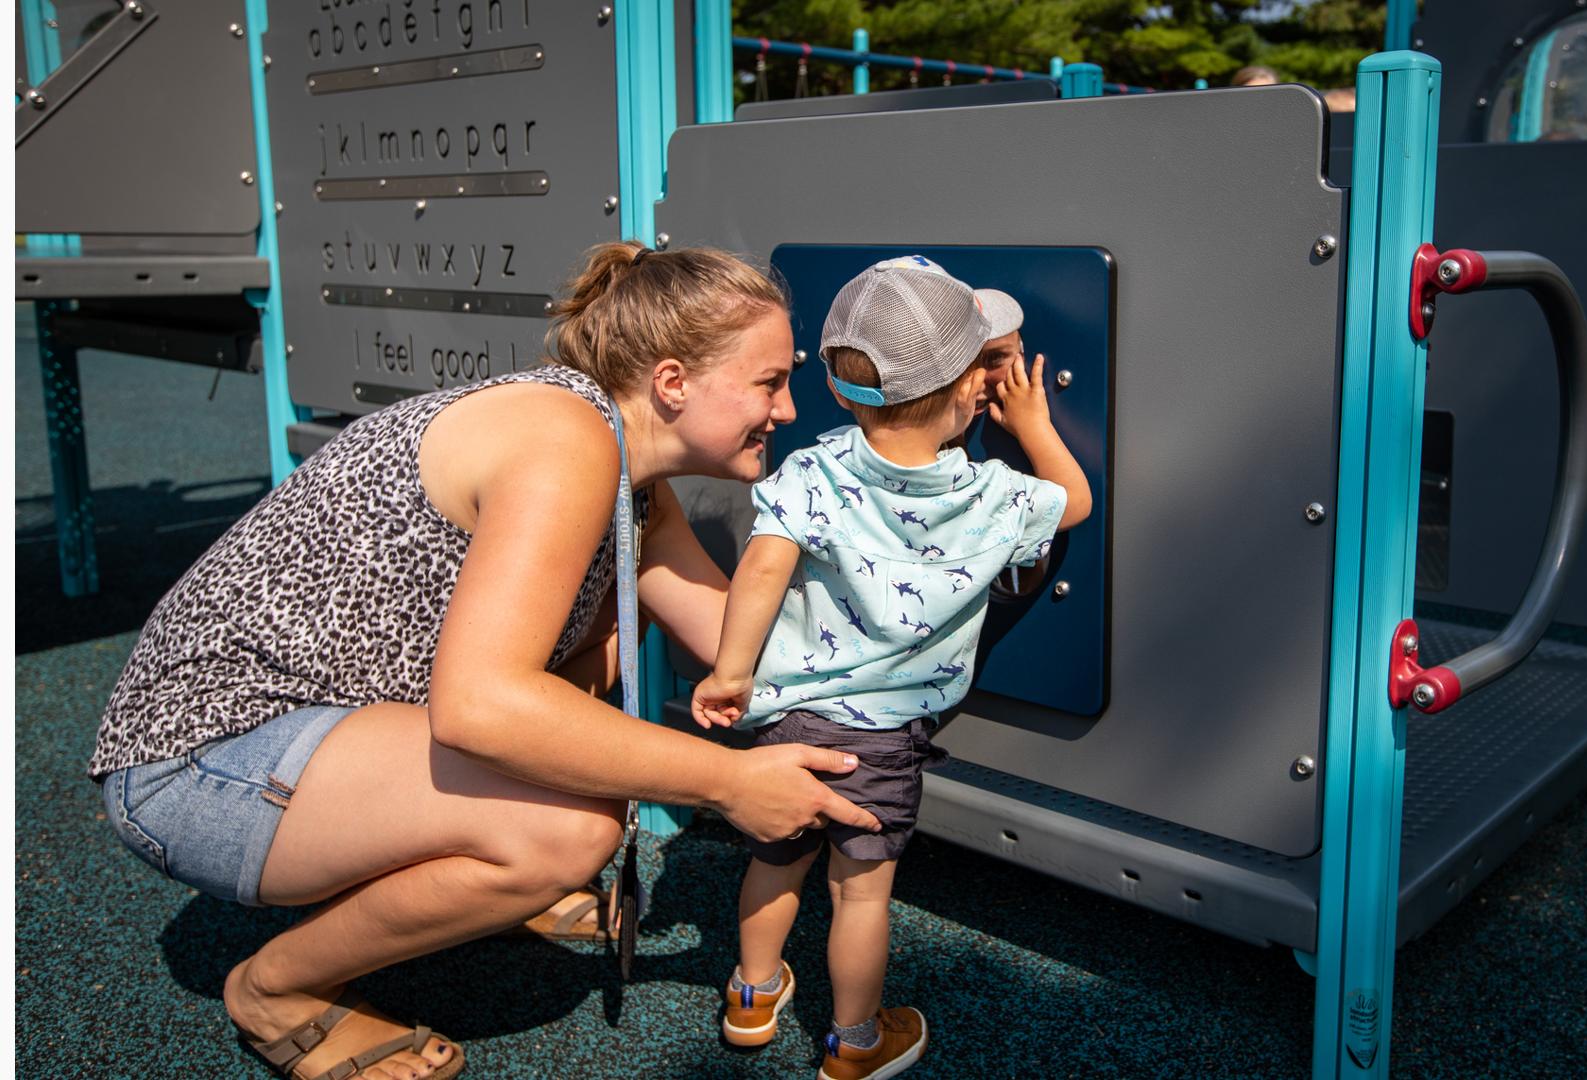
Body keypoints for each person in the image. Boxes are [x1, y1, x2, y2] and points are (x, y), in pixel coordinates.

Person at [90, 242, 887, 1080]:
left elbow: (743, 643)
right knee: (568, 828)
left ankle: (469, 866)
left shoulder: (632, 482)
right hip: (195, 764)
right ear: (672, 382)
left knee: (606, 653)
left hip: (320, 732)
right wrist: (728, 784)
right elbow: (482, 708)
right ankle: (274, 990)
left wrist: (917, 610)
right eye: (768, 381)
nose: (789, 409)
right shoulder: (564, 442)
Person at [689, 257, 1092, 1078]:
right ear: (968, 394)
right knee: (860, 894)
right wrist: (1034, 424)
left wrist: (732, 671)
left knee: (776, 861)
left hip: (788, 721)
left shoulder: (813, 471)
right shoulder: (991, 494)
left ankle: (753, 995)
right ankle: (854, 1043)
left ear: (840, 391)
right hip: (884, 744)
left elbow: (763, 571)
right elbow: (1074, 501)